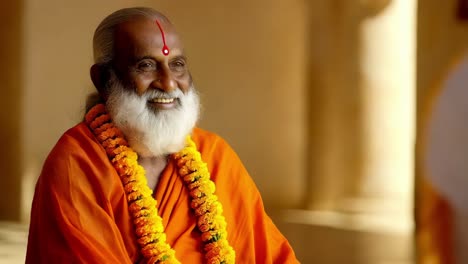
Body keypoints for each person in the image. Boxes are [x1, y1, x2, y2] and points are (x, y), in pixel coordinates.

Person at [26, 7, 297, 264]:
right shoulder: (76, 164)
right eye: (146, 65)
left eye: (176, 64)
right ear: (104, 78)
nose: (168, 83)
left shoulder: (214, 156)